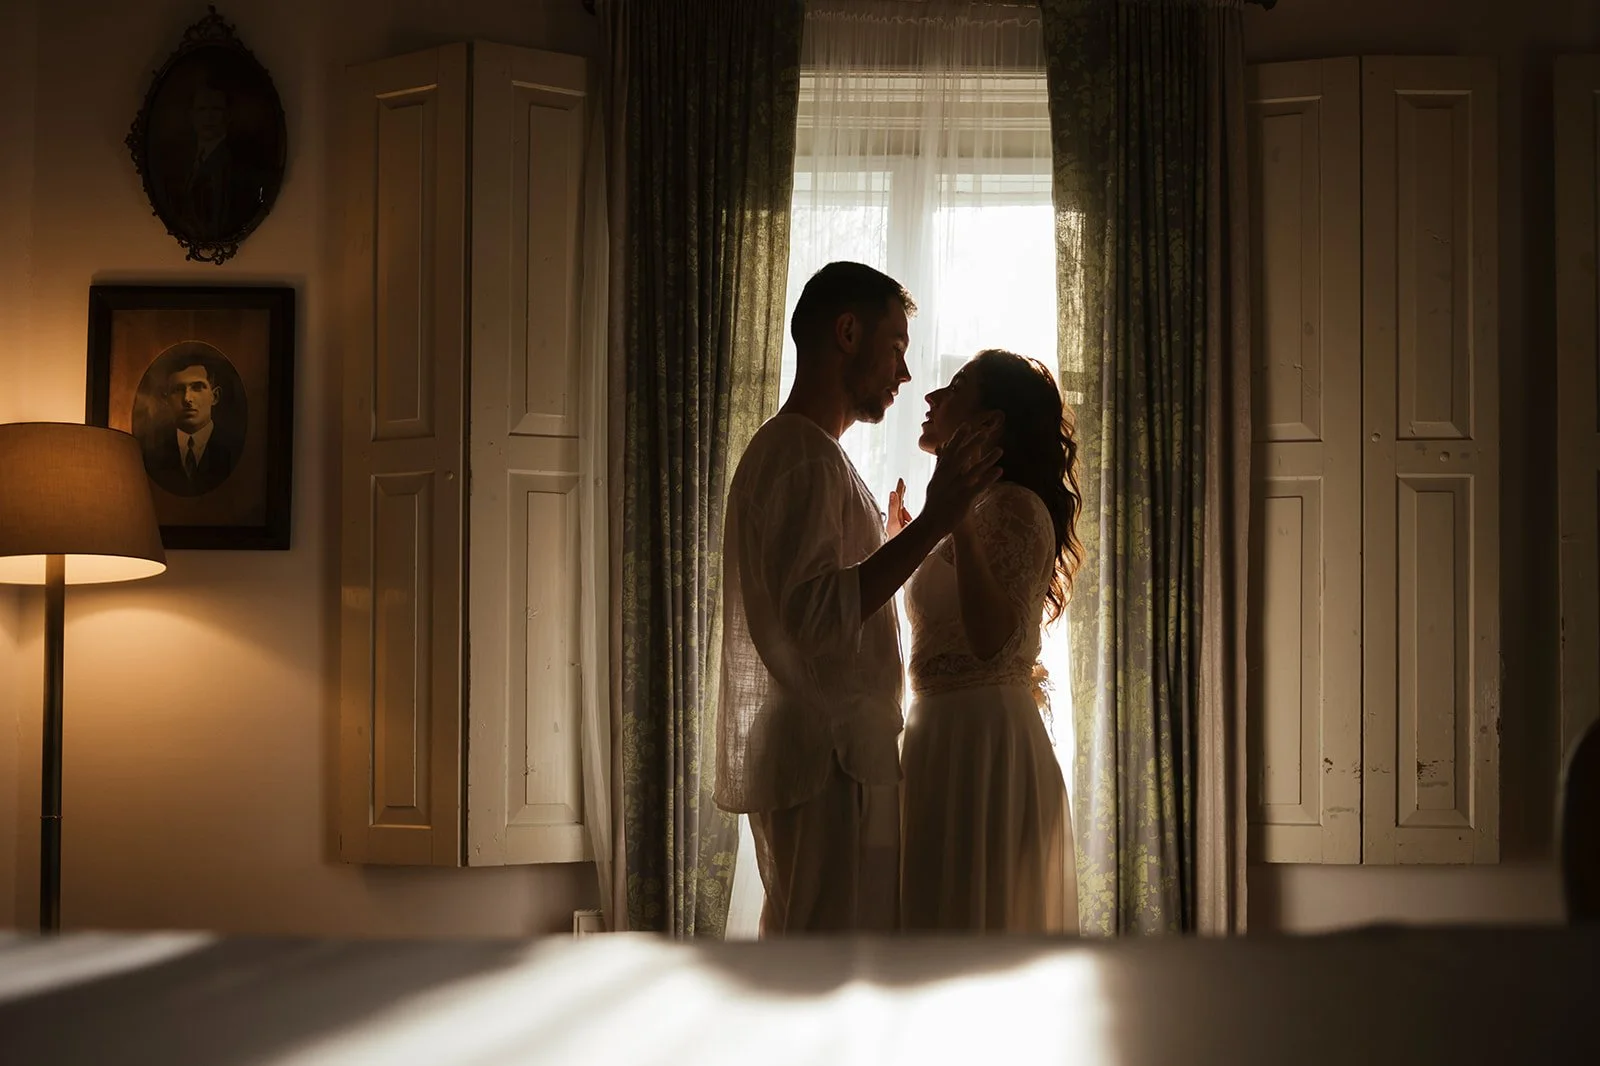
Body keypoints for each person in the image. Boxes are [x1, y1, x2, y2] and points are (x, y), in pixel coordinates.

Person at [715, 261, 1002, 935]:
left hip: (836, 757)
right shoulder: (801, 455)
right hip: (829, 762)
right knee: (827, 977)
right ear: (847, 332)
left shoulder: (812, 454)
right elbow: (814, 620)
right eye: (897, 347)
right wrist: (936, 520)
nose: (905, 375)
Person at [897, 349, 1083, 933]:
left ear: (989, 422)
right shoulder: (974, 508)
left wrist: (949, 523)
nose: (930, 399)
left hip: (986, 750)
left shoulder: (1016, 507)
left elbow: (987, 640)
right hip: (940, 741)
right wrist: (914, 540)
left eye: (953, 387)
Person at [140, 346, 237, 497]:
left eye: (197, 387)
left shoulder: (233, 447)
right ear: (166, 400)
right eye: (178, 389)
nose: (187, 399)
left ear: (215, 396)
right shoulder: (152, 454)